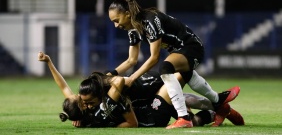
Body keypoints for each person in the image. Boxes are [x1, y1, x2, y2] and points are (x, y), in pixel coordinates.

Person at [108, 0, 240, 129]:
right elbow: (131, 60)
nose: (116, 25)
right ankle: (219, 101)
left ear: (127, 14)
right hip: (179, 52)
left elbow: (154, 58)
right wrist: (111, 74)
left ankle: (184, 118)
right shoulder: (133, 31)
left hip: (191, 47)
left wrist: (132, 78)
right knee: (185, 75)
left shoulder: (149, 20)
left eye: (116, 20)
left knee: (165, 68)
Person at [38, 51, 244, 128]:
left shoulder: (85, 102)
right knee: (182, 97)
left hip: (148, 92)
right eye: (84, 103)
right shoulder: (102, 103)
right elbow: (119, 86)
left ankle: (218, 106)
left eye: (82, 99)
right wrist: (107, 81)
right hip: (149, 105)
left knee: (180, 90)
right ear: (84, 110)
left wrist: (49, 63)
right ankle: (216, 108)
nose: (83, 100)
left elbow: (63, 86)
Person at [37, 51, 138, 128]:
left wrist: (48, 61)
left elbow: (63, 86)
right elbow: (119, 81)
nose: (78, 95)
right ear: (84, 106)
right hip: (138, 90)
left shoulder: (80, 106)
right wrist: (102, 80)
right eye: (79, 97)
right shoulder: (100, 108)